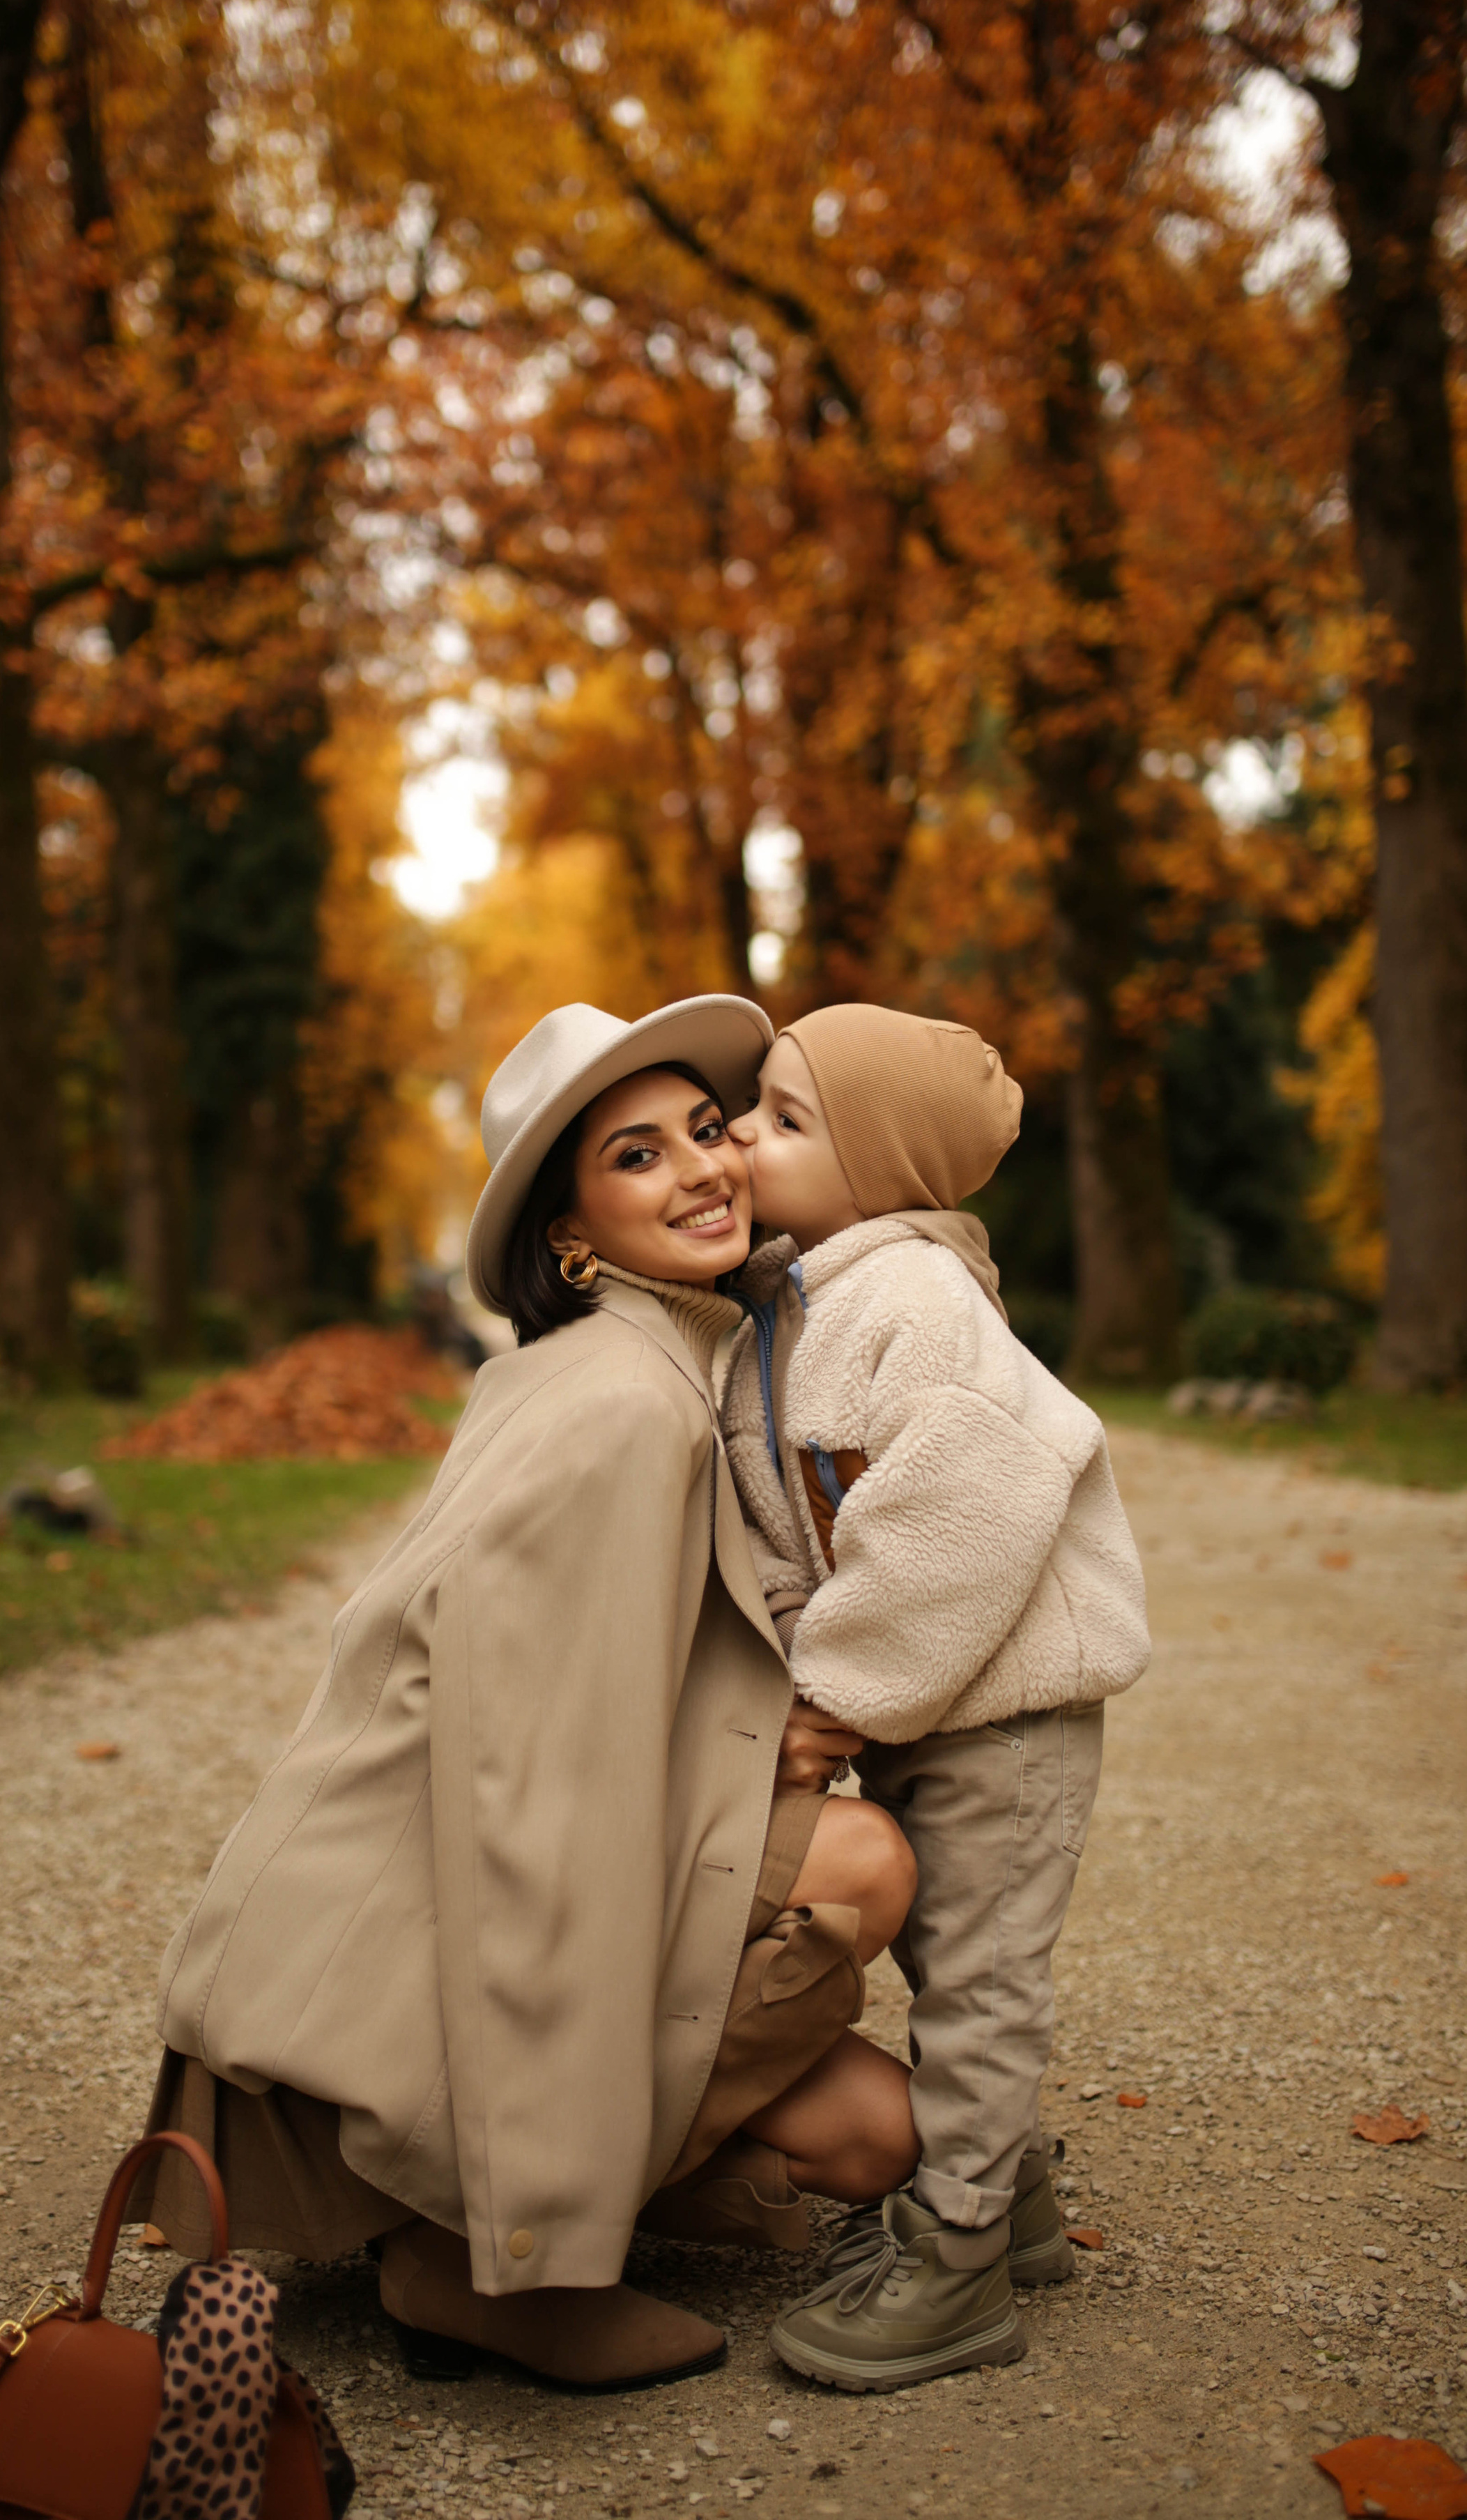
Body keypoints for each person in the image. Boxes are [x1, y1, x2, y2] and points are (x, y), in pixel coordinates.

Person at [132, 998, 919, 2395]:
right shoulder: (623, 1404)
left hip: (494, 1868)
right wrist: (532, 2223)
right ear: (568, 1234)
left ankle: (506, 2203)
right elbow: (534, 1791)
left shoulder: (644, 1361)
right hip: (429, 1934)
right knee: (858, 1859)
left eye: (702, 1129)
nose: (701, 1168)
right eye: (634, 1156)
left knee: (867, 2140)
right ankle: (468, 2252)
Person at [718, 1004, 1151, 2393]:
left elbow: (949, 1510)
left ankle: (957, 2259)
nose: (740, 1136)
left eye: (784, 1122)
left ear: (884, 1175)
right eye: (755, 1105)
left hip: (1005, 1717)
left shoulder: (913, 1304)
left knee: (978, 1981)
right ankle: (1008, 2197)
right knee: (944, 1962)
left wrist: (831, 1694)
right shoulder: (804, 1293)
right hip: (936, 1705)